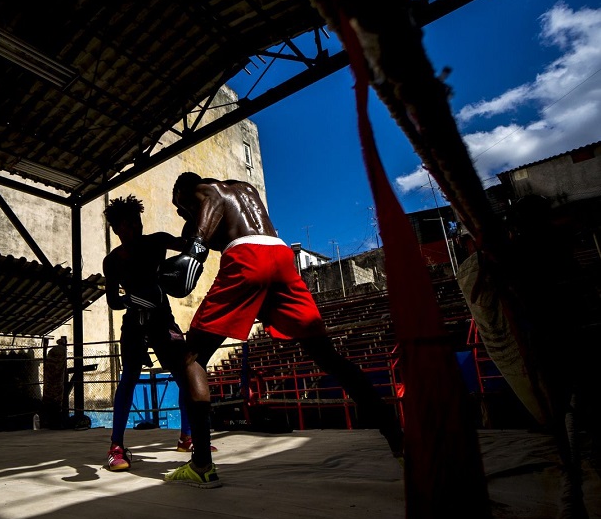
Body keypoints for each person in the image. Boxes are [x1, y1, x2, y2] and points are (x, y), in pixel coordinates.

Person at [159, 172, 405, 488]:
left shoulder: (206, 190)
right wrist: (191, 231)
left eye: (181, 205)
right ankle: (398, 439)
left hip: (248, 259)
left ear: (186, 190)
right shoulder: (245, 190)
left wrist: (194, 248)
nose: (183, 212)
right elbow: (220, 222)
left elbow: (209, 201)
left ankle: (202, 464)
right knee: (328, 357)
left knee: (190, 358)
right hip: (281, 257)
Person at [102, 195, 215, 472]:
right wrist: (134, 299)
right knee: (128, 376)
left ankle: (187, 437)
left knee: (184, 372)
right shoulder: (112, 261)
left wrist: (193, 218)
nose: (136, 228)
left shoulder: (156, 241)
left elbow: (192, 245)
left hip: (163, 319)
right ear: (117, 228)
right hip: (134, 321)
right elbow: (113, 301)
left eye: (138, 222)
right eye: (129, 225)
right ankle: (116, 446)